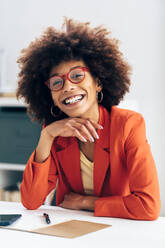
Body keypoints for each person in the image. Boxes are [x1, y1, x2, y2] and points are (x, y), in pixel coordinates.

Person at [16, 18, 161, 220]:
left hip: (117, 228)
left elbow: (148, 206)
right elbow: (30, 201)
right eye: (57, 82)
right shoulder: (55, 132)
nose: (67, 87)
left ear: (98, 83)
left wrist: (86, 202)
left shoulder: (128, 125)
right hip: (68, 227)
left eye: (77, 75)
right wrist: (47, 136)